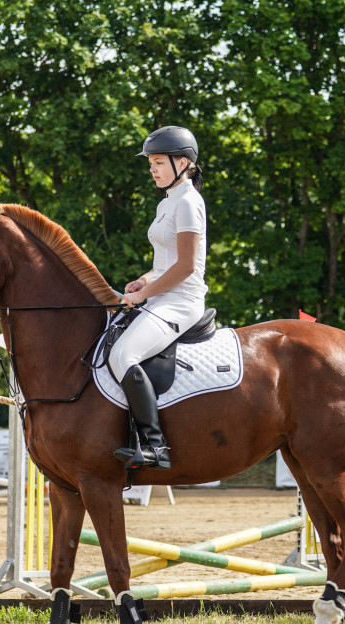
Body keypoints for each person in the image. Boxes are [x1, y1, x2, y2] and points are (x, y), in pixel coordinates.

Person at [109, 125, 208, 470]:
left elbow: (185, 267)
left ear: (182, 162)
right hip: (161, 296)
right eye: (150, 162)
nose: (151, 169)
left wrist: (145, 295)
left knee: (123, 354)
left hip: (182, 300)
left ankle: (154, 445)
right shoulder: (168, 202)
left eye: (157, 162)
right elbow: (164, 263)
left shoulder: (188, 203)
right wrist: (144, 280)